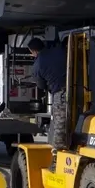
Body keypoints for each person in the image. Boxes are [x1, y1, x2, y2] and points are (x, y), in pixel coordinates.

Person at [27, 37, 68, 169]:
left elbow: (42, 86)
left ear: (33, 51)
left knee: (58, 124)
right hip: (78, 87)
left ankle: (56, 156)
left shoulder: (37, 66)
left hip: (60, 93)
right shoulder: (59, 50)